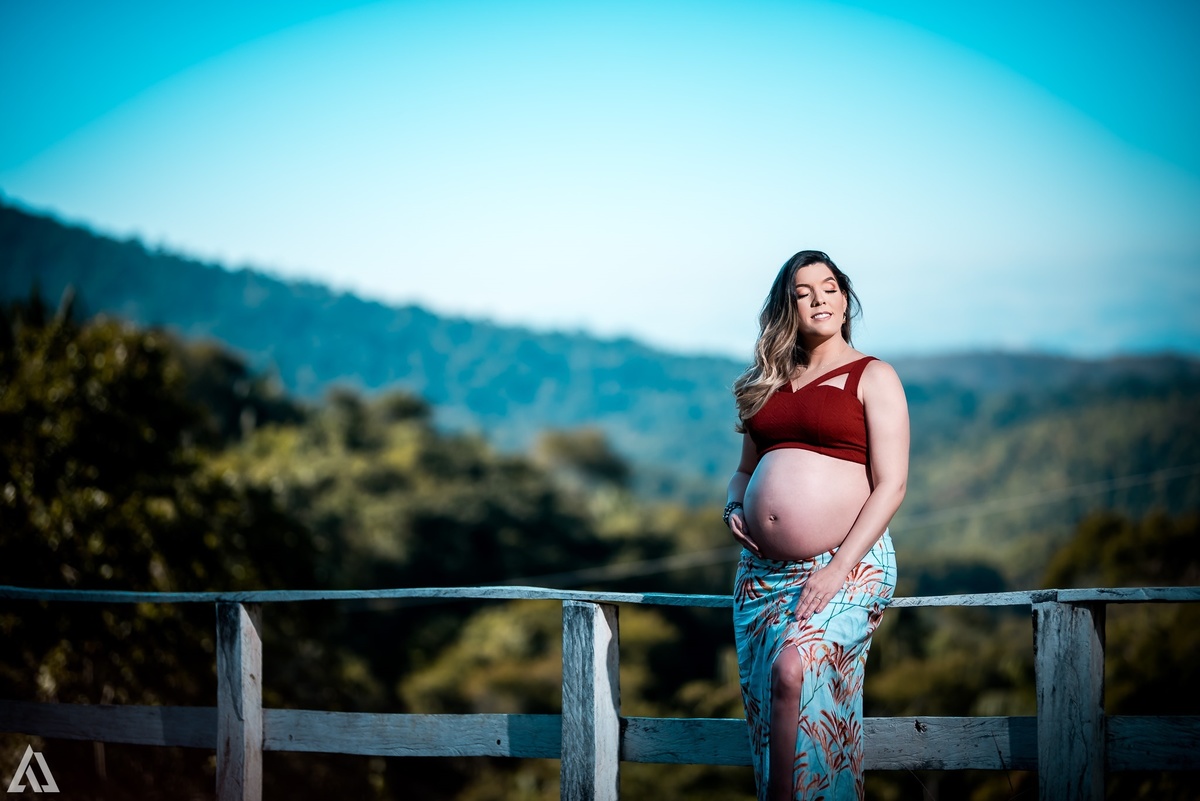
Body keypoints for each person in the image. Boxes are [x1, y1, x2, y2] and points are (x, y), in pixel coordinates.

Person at [726, 250, 909, 801]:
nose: (819, 300)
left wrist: (836, 570)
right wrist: (734, 508)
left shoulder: (873, 375)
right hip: (763, 575)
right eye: (803, 292)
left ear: (845, 299)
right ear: (789, 307)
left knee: (793, 670)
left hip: (846, 565)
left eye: (829, 288)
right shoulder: (767, 382)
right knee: (771, 703)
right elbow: (744, 472)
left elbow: (892, 485)